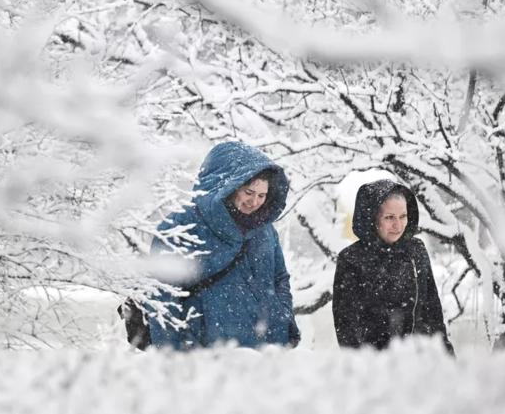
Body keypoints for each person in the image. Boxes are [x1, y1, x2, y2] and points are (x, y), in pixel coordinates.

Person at [148, 141, 301, 350]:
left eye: (262, 195)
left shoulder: (265, 230)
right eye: (248, 192)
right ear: (227, 187)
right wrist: (171, 356)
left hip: (266, 352)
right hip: (206, 356)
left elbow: (279, 279)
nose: (255, 201)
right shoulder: (180, 227)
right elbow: (163, 297)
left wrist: (283, 317)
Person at [332, 179, 455, 355]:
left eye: (403, 216)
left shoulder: (416, 251)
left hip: (420, 363)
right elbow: (347, 330)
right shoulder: (351, 259)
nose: (398, 225)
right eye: (389, 217)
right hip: (376, 368)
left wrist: (447, 356)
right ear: (372, 218)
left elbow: (432, 312)